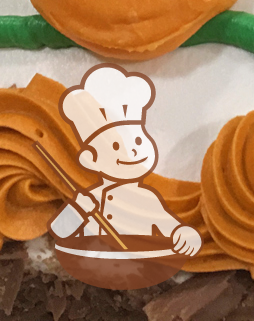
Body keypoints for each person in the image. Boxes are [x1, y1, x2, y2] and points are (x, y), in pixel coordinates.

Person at [48, 65, 201, 256]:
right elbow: (60, 231)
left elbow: (171, 227)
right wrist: (79, 208)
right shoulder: (91, 197)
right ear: (90, 159)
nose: (133, 151)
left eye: (137, 141)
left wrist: (185, 234)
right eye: (115, 147)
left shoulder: (147, 199)